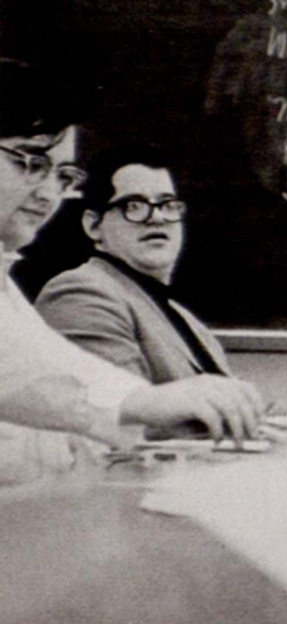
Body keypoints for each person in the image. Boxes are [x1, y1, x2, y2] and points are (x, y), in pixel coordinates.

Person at [1, 59, 264, 483]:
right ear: (94, 225)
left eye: (61, 173)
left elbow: (53, 372)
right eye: (30, 161)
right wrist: (139, 402)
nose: (48, 192)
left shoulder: (4, 283)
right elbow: (14, 371)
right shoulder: (86, 291)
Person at [34, 144, 287, 417]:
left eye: (168, 205)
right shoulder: (82, 292)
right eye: (134, 206)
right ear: (93, 225)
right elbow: (125, 420)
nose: (157, 218)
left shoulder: (179, 318)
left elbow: (255, 414)